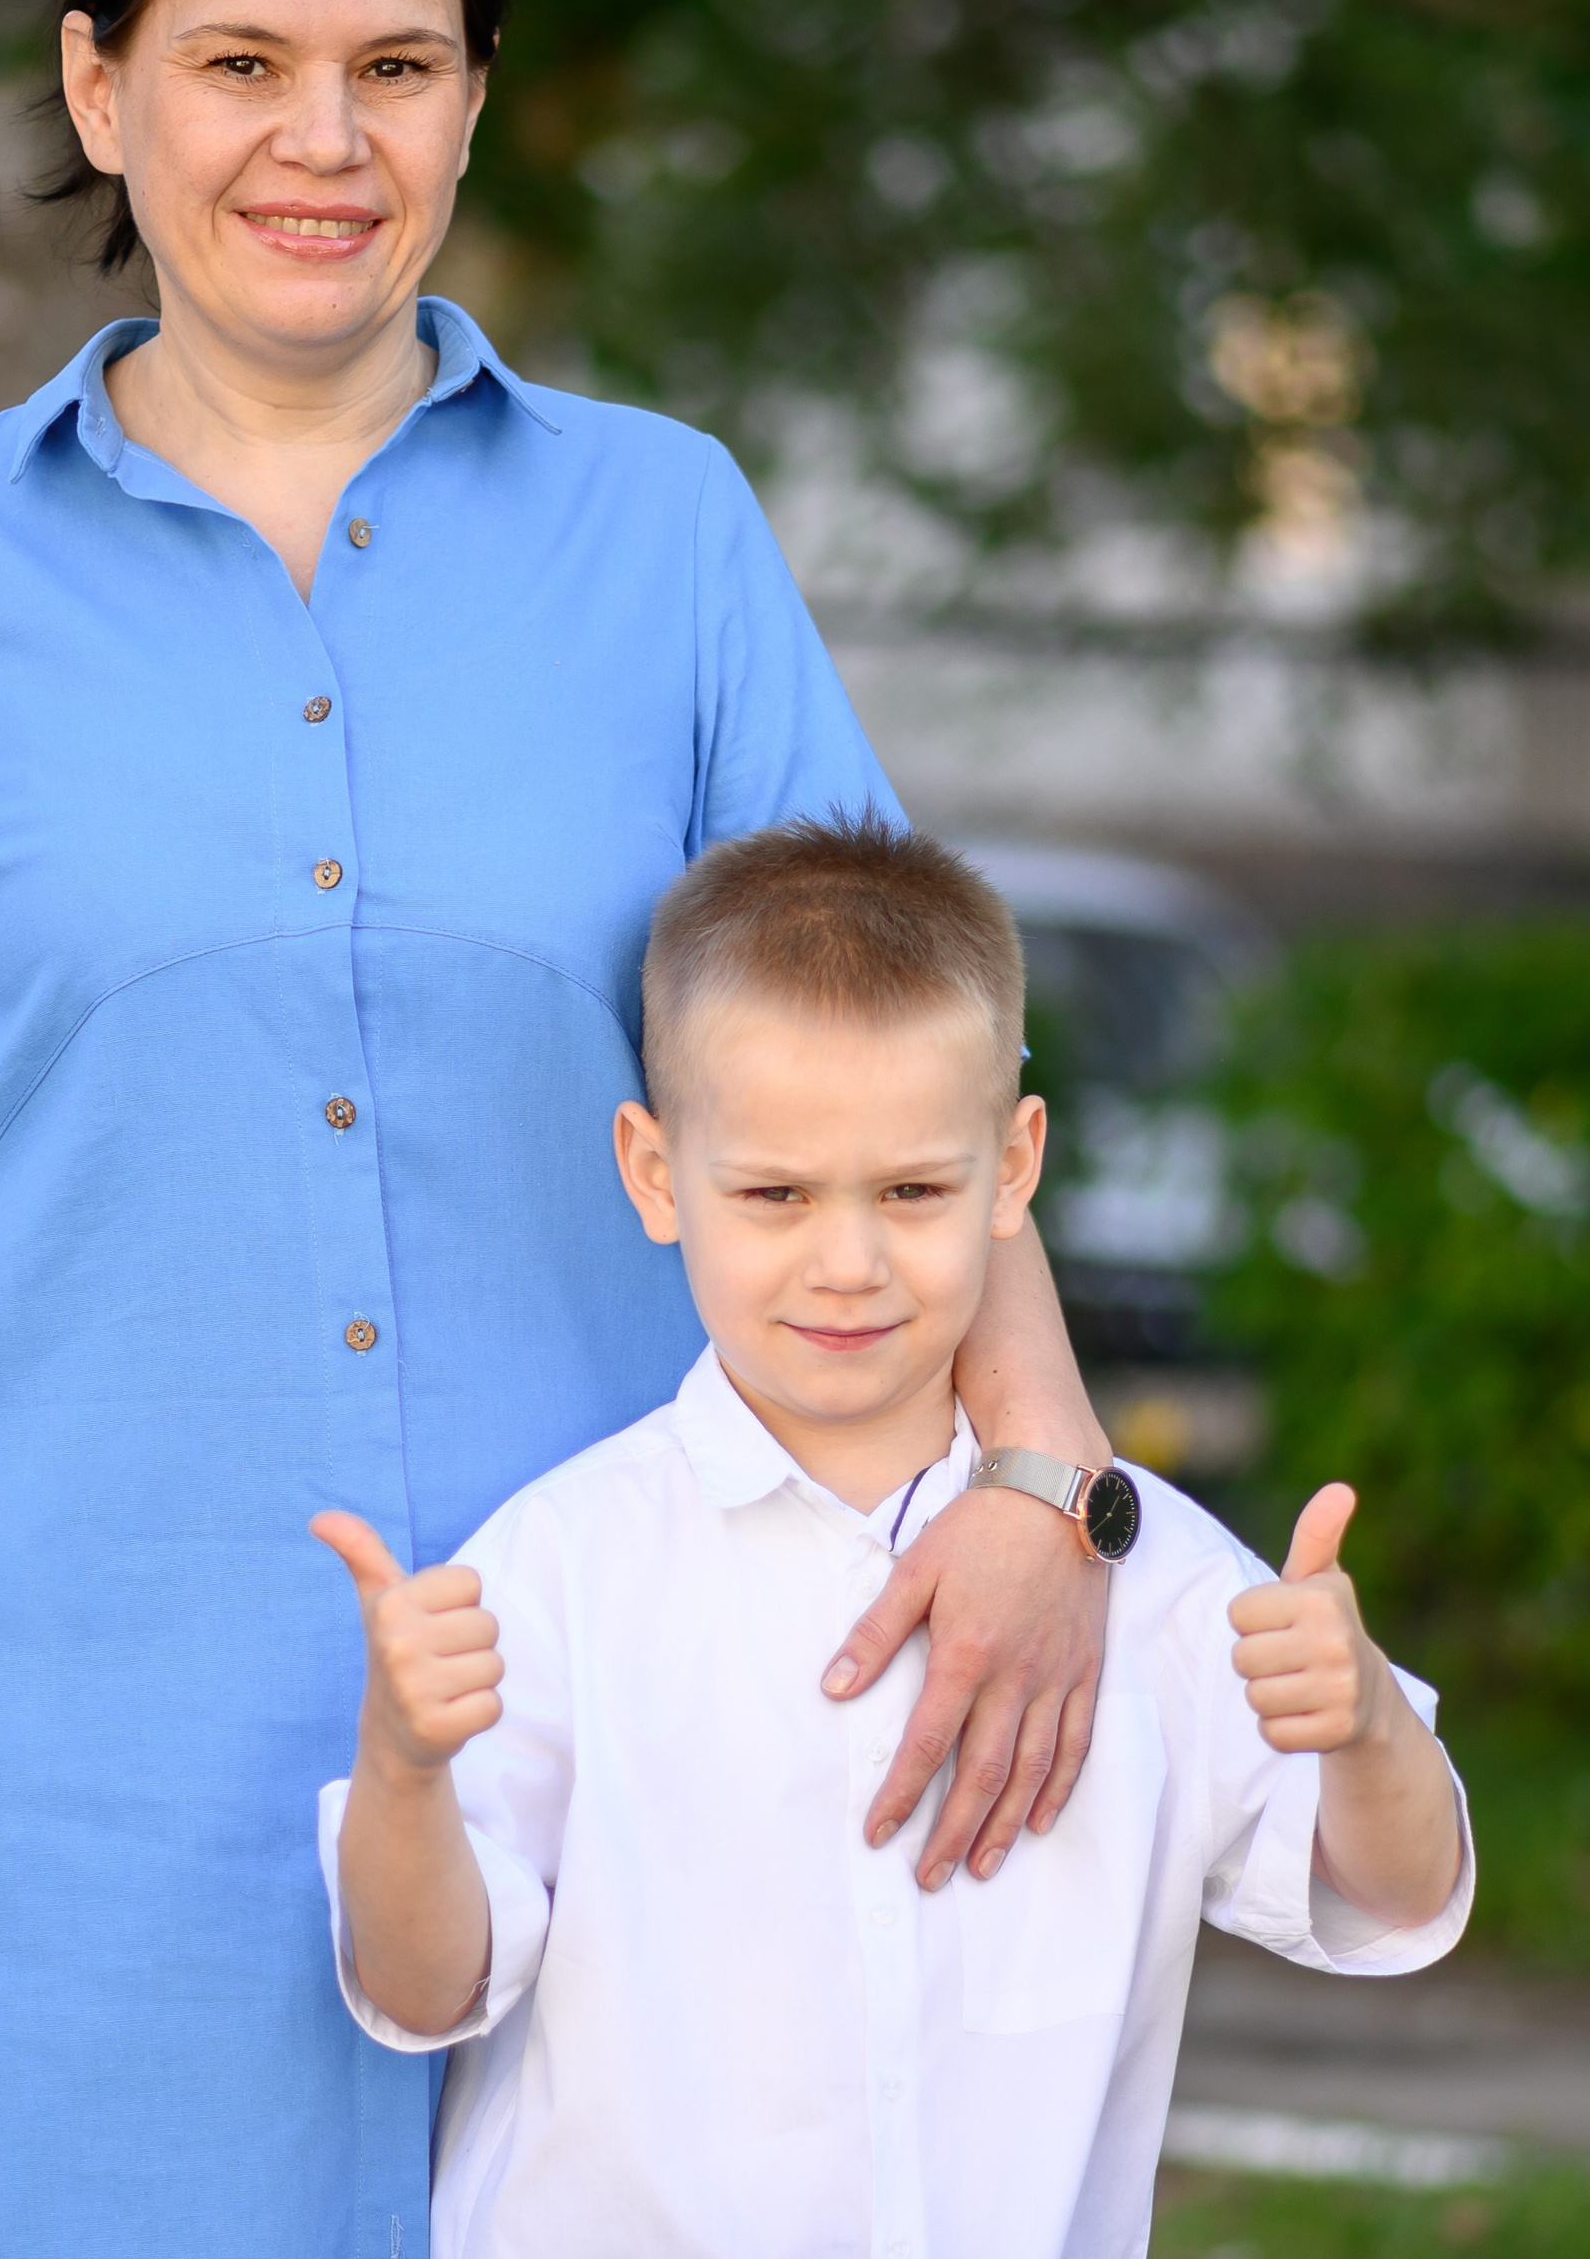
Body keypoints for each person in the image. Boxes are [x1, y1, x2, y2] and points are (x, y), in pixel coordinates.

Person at [0, 0, 1124, 2255]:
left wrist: (1037, 1479)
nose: (321, 140)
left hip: (605, 1772)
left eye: (397, 68)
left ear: (470, 100)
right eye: (238, 63)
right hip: (46, 1805)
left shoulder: (664, 533)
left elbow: (900, 1065)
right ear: (99, 89)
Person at [316, 816, 1473, 2258]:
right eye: (776, 1194)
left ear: (1015, 1164)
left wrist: (1362, 1727)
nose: (849, 1262)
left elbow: (1401, 1892)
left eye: (913, 1191)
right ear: (656, 1174)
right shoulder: (558, 1569)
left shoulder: (1149, 1575)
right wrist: (404, 1768)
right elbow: (422, 1985)